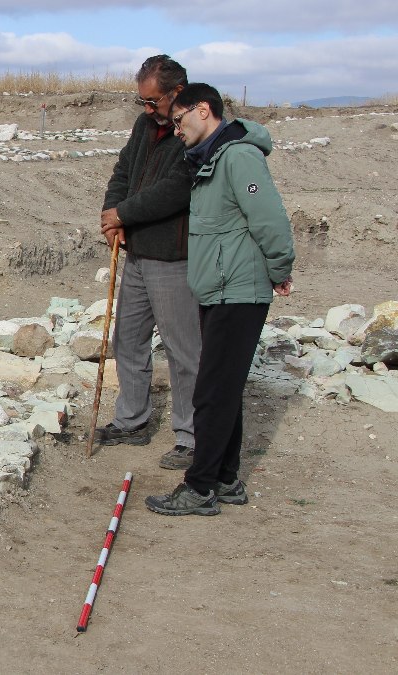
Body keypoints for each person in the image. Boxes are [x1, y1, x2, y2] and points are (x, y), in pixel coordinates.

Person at [146, 83, 295, 516]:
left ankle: (200, 487)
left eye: (179, 119)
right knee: (223, 387)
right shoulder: (214, 157)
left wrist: (280, 268)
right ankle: (226, 479)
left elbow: (268, 217)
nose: (176, 130)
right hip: (221, 288)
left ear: (204, 109)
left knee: (211, 390)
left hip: (239, 290)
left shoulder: (239, 157)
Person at [97, 54, 202, 471]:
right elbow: (124, 171)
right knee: (128, 340)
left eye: (153, 101)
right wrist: (111, 214)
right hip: (137, 252)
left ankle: (192, 436)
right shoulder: (146, 125)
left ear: (177, 93)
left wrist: (126, 214)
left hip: (174, 256)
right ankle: (132, 420)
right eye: (142, 101)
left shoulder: (195, 130)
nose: (147, 109)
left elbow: (176, 189)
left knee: (183, 350)